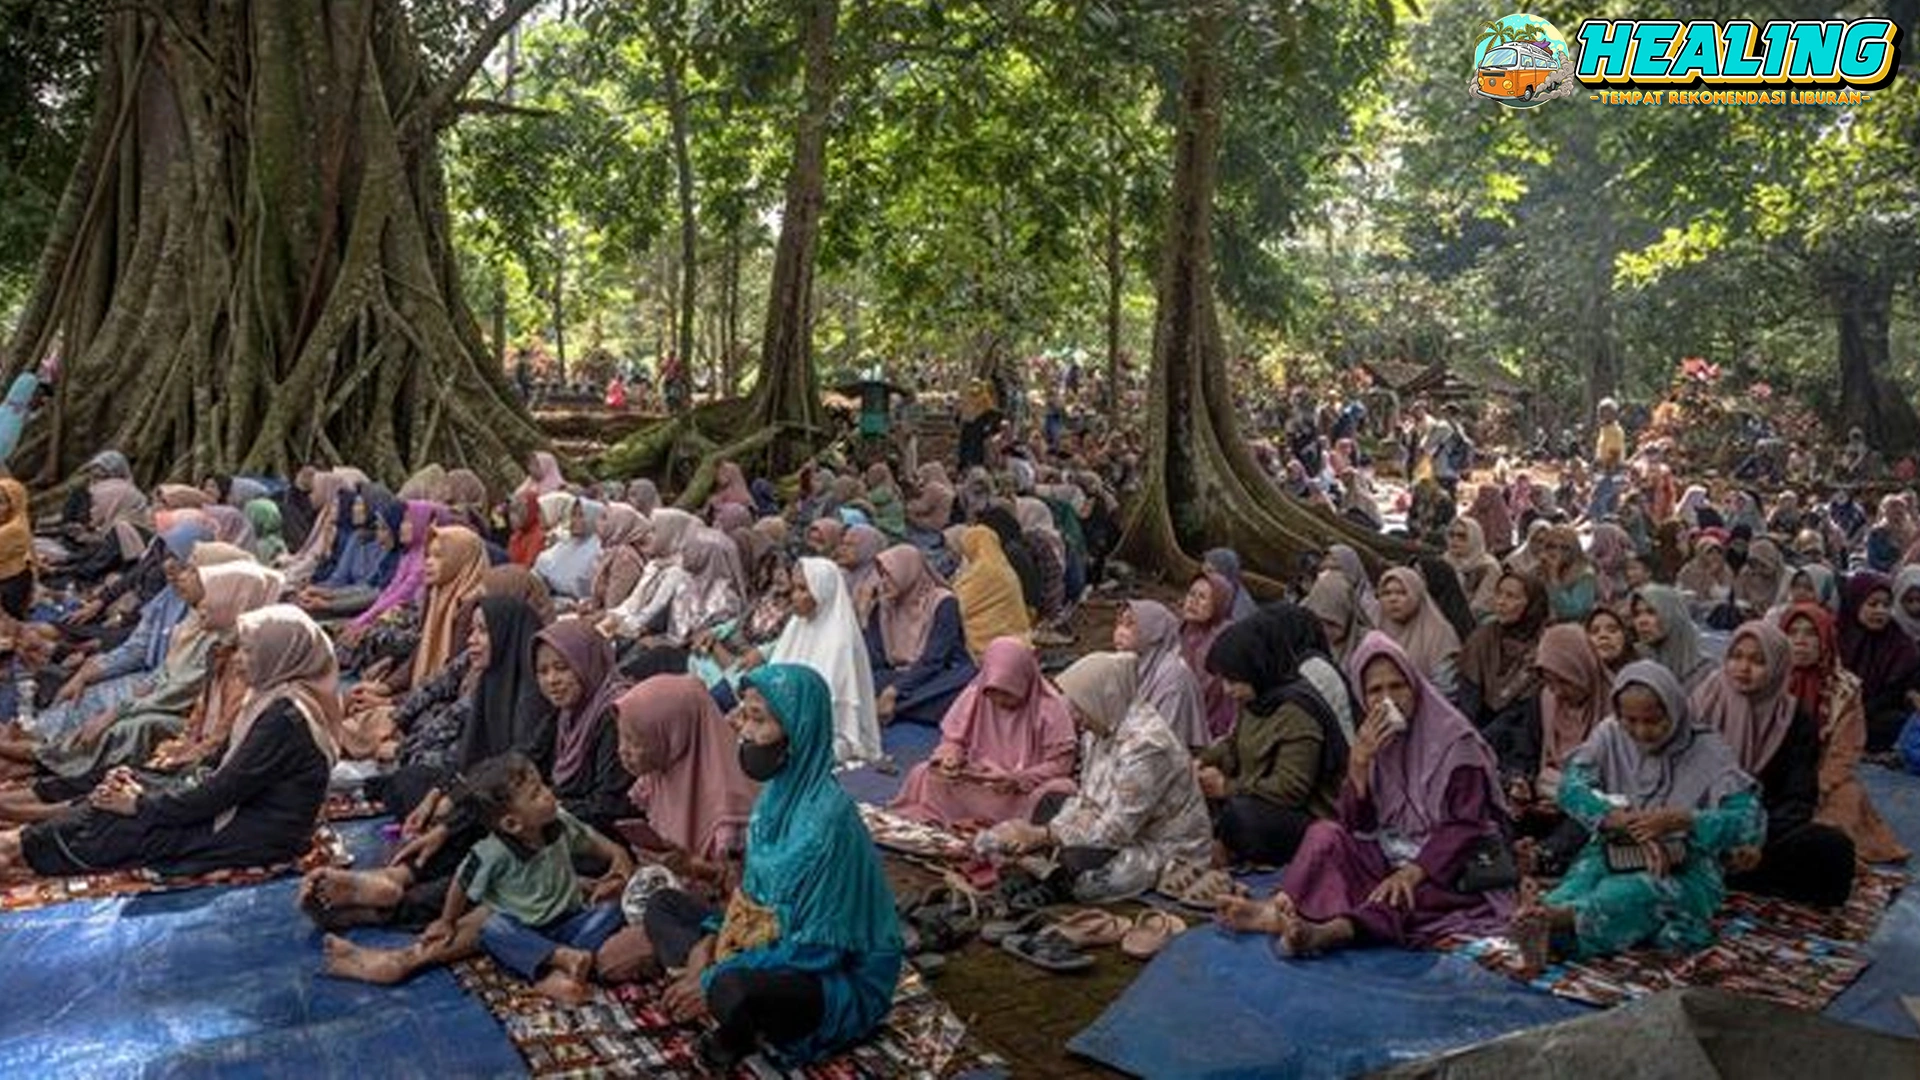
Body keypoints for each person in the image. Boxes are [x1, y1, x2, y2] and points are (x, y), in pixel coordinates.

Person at [639, 664, 903, 1070]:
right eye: (744, 715)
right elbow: (752, 905)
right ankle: (712, 990)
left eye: (759, 719)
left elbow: (819, 952)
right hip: (769, 940)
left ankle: (733, 1031)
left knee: (734, 988)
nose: (743, 731)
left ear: (798, 733)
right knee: (662, 905)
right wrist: (712, 943)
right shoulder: (775, 797)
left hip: (835, 977)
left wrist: (712, 974)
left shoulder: (827, 823)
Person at [1214, 633, 1513, 956]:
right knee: (1324, 834)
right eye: (1375, 691)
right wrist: (1359, 766)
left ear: (1414, 685)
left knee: (1402, 897)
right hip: (1392, 850)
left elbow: (1466, 825)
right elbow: (1356, 824)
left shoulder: (1455, 742)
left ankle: (1330, 932)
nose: (1388, 700)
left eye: (1397, 686)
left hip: (1447, 865)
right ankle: (1280, 908)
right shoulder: (1374, 740)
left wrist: (1413, 872)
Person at [1, 605, 338, 878]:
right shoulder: (268, 696)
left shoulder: (284, 718)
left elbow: (221, 791)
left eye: (248, 652)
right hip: (236, 806)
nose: (238, 659)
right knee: (128, 786)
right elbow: (216, 764)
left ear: (278, 654)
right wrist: (146, 788)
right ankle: (18, 841)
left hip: (258, 831)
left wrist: (141, 804)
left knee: (129, 824)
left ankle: (17, 846)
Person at [1507, 662, 1763, 974]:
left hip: (1685, 863)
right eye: (1631, 720)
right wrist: (1614, 818)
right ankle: (1548, 914)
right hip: (1617, 848)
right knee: (1582, 879)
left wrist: (1682, 820)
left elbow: (1747, 821)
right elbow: (1570, 787)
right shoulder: (1611, 734)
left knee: (1631, 892)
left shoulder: (1708, 750)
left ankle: (1560, 921)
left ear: (1674, 710)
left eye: (1654, 721)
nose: (1641, 732)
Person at [981, 652, 1212, 903]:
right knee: (1050, 802)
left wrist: (1044, 835)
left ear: (1102, 698)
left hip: (1155, 844)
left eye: (1080, 707)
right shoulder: (1102, 726)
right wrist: (1047, 832)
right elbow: (1087, 799)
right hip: (1112, 826)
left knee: (1079, 857)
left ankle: (1051, 880)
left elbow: (1117, 830)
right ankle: (1041, 872)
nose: (1077, 717)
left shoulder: (1148, 746)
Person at [430, 752, 633, 1004]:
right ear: (512, 823)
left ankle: (558, 966)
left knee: (614, 908)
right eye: (536, 794)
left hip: (570, 922)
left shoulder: (561, 824)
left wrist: (617, 873)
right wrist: (447, 921)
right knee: (492, 930)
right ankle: (560, 962)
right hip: (526, 931)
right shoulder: (490, 853)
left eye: (543, 785)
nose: (549, 793)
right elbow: (462, 882)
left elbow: (608, 848)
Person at [1690, 622, 1857, 907]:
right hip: (1698, 825)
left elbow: (1798, 798)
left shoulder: (1793, 719)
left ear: (1779, 665)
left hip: (1761, 834)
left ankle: (1728, 873)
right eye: (1737, 656)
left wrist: (1753, 837)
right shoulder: (1701, 703)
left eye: (1758, 661)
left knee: (1832, 848)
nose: (1743, 668)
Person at [1198, 609, 1350, 866]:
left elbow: (1290, 789)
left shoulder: (1297, 712)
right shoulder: (1257, 700)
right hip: (1258, 795)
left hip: (1304, 817)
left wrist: (1228, 788)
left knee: (1240, 816)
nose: (1227, 690)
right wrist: (1203, 761)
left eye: (1233, 680)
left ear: (1257, 667)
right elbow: (1234, 744)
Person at [890, 637, 1077, 827]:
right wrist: (950, 757)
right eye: (993, 692)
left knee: (1058, 790)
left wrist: (1017, 779)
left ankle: (1004, 828)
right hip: (978, 781)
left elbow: (1060, 765)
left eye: (1007, 693)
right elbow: (953, 740)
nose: (999, 701)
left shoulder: (1050, 708)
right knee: (923, 773)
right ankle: (959, 818)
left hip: (1018, 793)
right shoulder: (976, 696)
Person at [1778, 603, 1908, 863]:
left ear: (1825, 638)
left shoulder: (1844, 689)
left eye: (1810, 633)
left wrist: (1817, 787)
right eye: (1792, 632)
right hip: (1772, 772)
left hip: (1824, 777)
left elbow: (1845, 750)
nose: (1800, 641)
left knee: (1839, 819)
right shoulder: (1770, 677)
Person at [763, 557, 882, 765]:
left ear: (822, 591)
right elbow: (775, 673)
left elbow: (828, 703)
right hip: (789, 712)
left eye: (803, 589)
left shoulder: (840, 640)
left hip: (823, 726)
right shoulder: (796, 626)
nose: (794, 597)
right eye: (794, 588)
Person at [533, 621, 635, 836]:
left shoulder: (614, 715)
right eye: (542, 671)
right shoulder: (566, 712)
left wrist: (542, 810)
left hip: (603, 834)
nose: (552, 680)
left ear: (587, 663)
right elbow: (529, 756)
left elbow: (609, 806)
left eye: (562, 668)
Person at [865, 545, 975, 728]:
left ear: (908, 572)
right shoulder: (882, 605)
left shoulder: (944, 603)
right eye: (881, 575)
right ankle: (915, 708)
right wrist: (864, 617)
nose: (883, 582)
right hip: (897, 674)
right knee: (867, 678)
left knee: (965, 681)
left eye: (889, 575)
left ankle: (895, 706)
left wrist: (893, 691)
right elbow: (874, 659)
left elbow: (934, 660)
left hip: (937, 674)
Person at [1837, 572, 1920, 753]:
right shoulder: (1838, 636)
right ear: (1855, 603)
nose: (1880, 611)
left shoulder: (1900, 643)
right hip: (1839, 713)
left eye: (1886, 605)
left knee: (1895, 722)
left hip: (1877, 716)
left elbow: (1900, 690)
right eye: (1872, 604)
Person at [1113, 600, 1207, 749]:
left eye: (1130, 624)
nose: (1119, 632)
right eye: (1119, 624)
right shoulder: (1133, 663)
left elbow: (1163, 739)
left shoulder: (1174, 677)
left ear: (1153, 632)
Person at [1375, 567, 1461, 703]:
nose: (1393, 599)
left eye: (1402, 593)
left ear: (1416, 595)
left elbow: (1446, 690)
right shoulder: (1376, 629)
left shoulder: (1439, 633)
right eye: (1386, 593)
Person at [948, 525, 1032, 660]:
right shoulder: (1002, 566)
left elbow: (959, 607)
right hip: (1018, 637)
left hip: (987, 642)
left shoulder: (983, 572)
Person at [1180, 572, 1240, 741]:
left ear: (1219, 604)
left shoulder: (1226, 638)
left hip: (1211, 726)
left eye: (1202, 597)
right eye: (1191, 594)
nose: (1193, 602)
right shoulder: (1184, 629)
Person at [1630, 586, 1717, 691]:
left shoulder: (1706, 672)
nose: (1642, 621)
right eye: (1637, 614)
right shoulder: (1633, 661)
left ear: (1672, 615)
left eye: (1651, 612)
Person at [1445, 518, 1502, 622]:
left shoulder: (1488, 566)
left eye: (1462, 536)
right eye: (1451, 535)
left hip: (1477, 620)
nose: (1455, 540)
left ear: (1474, 538)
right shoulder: (1445, 561)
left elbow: (1482, 605)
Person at [1585, 606, 1634, 678]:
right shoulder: (1579, 679)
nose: (1603, 635)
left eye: (1612, 630)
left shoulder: (1639, 674)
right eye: (1594, 631)